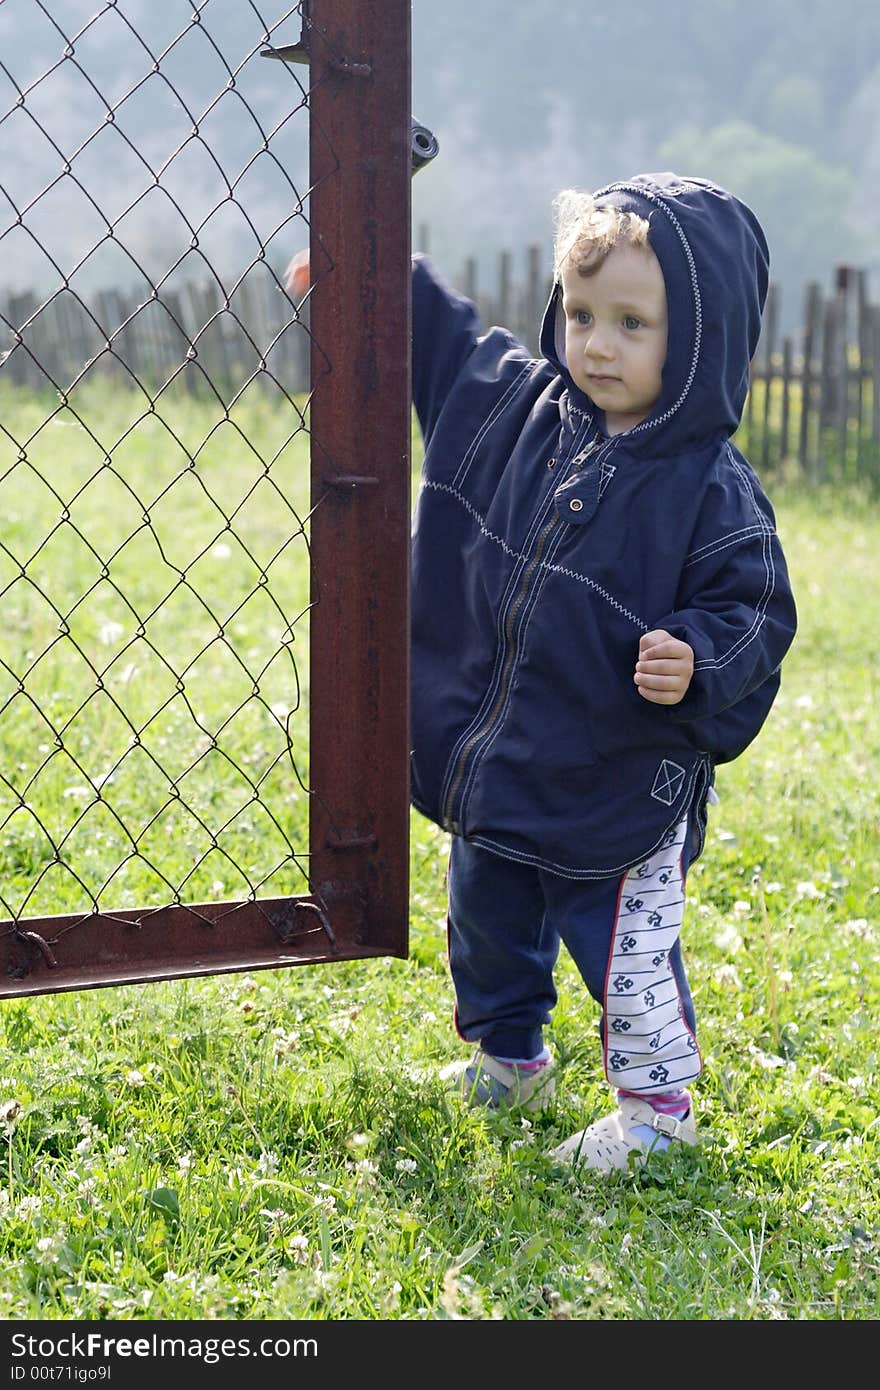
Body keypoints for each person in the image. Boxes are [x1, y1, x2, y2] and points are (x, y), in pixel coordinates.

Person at [287, 171, 798, 1173]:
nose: (595, 343)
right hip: (511, 757)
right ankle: (508, 1053)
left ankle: (657, 1109)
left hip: (616, 783)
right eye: (580, 313)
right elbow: (448, 341)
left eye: (632, 324)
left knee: (623, 949)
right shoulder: (514, 412)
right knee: (487, 917)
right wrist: (371, 269)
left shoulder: (710, 491)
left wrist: (696, 655)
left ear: (698, 338)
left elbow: (757, 613)